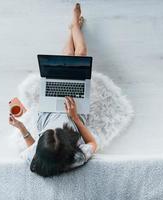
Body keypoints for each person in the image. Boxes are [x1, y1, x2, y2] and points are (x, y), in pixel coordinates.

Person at [9, 3, 98, 177]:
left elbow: (32, 146)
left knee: (65, 62)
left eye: (48, 134)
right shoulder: (77, 158)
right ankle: (74, 26)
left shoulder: (35, 159)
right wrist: (74, 118)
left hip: (47, 112)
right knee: (80, 56)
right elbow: (93, 142)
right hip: (76, 112)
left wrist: (21, 127)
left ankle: (73, 27)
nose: (56, 128)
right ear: (69, 146)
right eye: (60, 131)